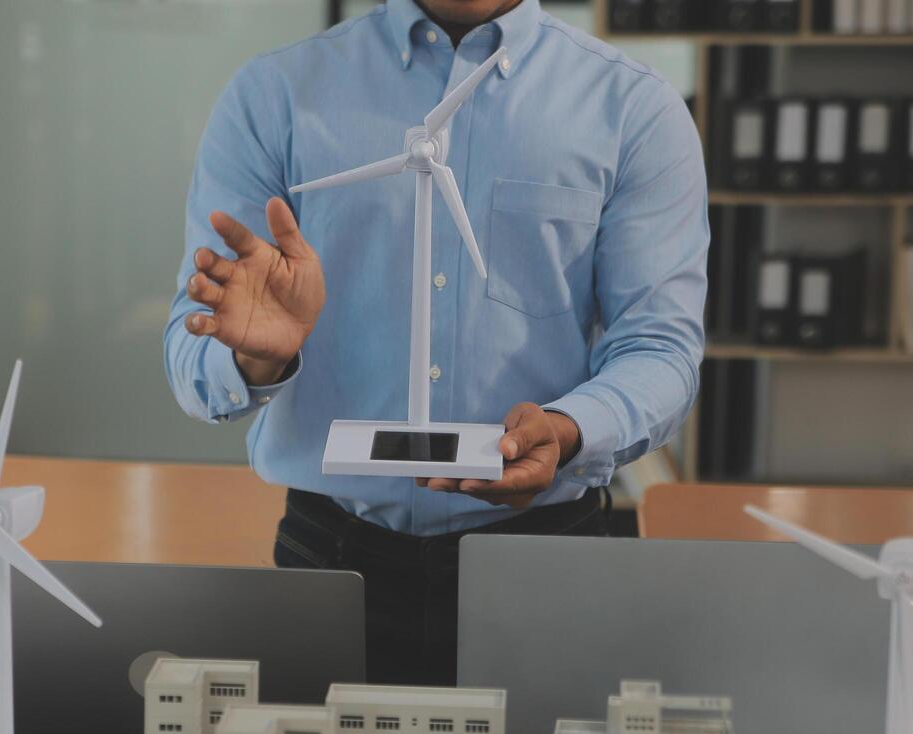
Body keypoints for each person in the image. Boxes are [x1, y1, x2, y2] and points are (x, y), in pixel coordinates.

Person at [164, 0, 707, 686]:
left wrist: (570, 430)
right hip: (331, 558)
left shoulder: (634, 109)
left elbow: (661, 349)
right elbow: (191, 354)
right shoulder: (275, 95)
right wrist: (254, 356)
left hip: (545, 558)